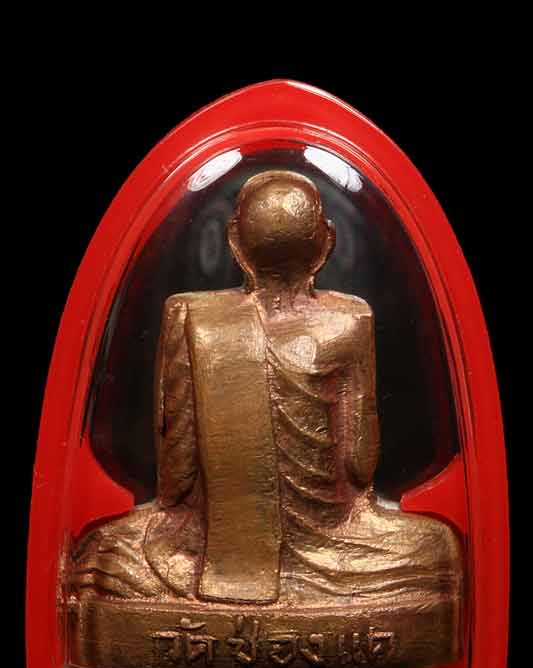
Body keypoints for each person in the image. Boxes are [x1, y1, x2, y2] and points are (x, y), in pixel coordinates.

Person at [72, 170, 463, 612]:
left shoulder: (190, 316)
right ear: (327, 243)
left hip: (209, 555)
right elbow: (358, 465)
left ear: (234, 242)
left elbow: (176, 480)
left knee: (105, 553)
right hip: (333, 549)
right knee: (438, 550)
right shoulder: (350, 320)